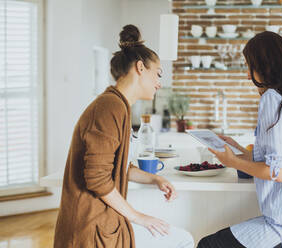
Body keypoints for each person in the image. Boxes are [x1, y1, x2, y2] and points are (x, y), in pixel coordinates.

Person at [54, 24, 194, 248]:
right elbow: (98, 178)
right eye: (157, 74)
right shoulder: (110, 107)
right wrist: (139, 217)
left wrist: (155, 178)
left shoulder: (117, 104)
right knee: (183, 241)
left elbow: (116, 166)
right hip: (91, 230)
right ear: (140, 67)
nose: (159, 82)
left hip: (103, 223)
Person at [197, 31, 282, 248]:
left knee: (209, 245)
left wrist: (232, 162)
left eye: (249, 66)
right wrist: (240, 150)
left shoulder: (273, 98)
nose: (247, 75)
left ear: (263, 66)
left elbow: (278, 172)